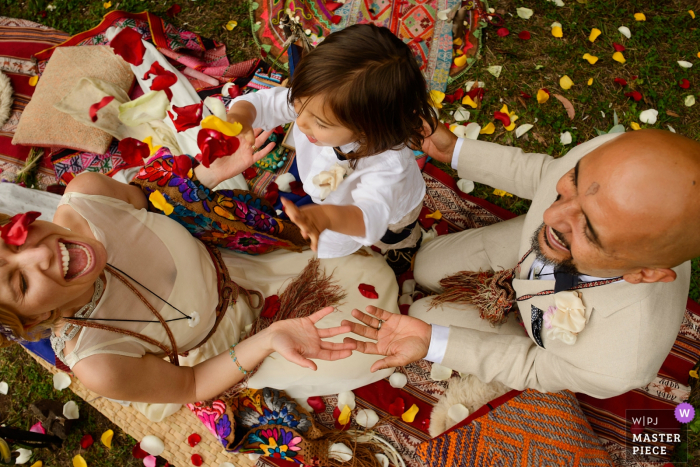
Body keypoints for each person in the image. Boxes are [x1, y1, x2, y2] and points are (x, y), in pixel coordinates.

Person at [0, 127, 400, 423]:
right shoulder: (99, 363)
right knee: (360, 344)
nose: (40, 253)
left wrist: (210, 177)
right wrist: (269, 340)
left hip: (239, 265)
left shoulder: (89, 194)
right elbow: (191, 384)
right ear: (32, 320)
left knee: (371, 270)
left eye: (15, 241)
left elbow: (158, 203)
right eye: (20, 283)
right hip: (231, 347)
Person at [342, 127, 700, 399]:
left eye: (588, 230)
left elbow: (532, 366)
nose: (550, 214)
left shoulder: (617, 364)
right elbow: (542, 173)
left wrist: (432, 342)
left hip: (537, 334)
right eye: (570, 187)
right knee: (426, 265)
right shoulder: (608, 161)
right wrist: (455, 150)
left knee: (422, 318)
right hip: (518, 250)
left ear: (643, 273)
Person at [227, 24, 437, 272]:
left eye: (320, 123)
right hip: (331, 196)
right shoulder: (316, 101)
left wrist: (327, 217)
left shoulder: (387, 165)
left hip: (393, 212)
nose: (301, 121)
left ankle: (406, 247)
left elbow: (368, 217)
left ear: (367, 129)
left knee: (393, 235)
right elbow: (262, 103)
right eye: (298, 103)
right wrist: (240, 119)